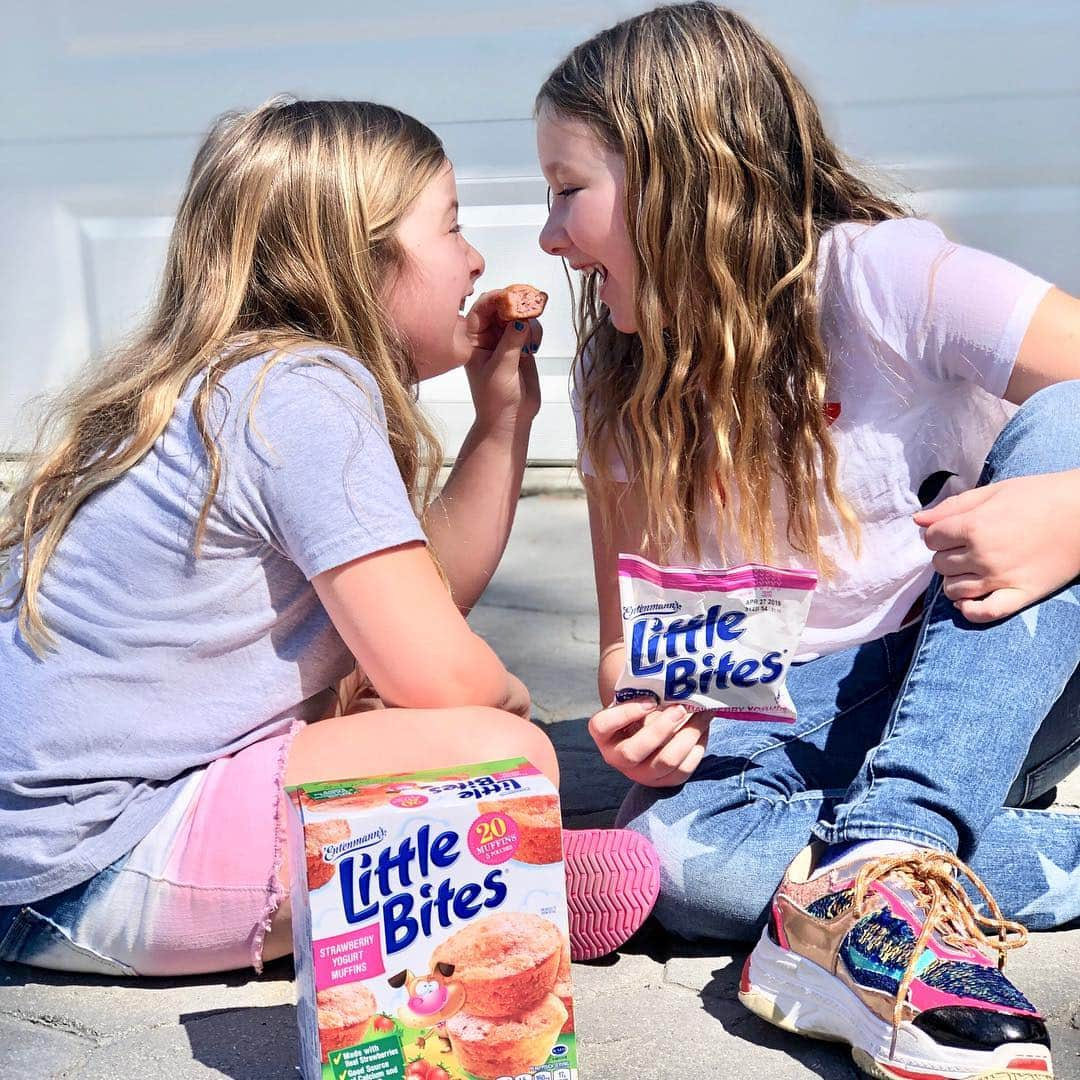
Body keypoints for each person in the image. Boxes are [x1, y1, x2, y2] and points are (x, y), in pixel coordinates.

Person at [535, 4, 1080, 1077]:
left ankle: (897, 840)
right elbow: (636, 642)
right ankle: (896, 865)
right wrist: (647, 709)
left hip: (983, 663)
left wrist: (1070, 505)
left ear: (681, 178)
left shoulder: (887, 276)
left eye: (567, 189)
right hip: (798, 706)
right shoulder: (619, 378)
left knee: (1073, 417)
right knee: (676, 857)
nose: (551, 235)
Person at [0, 97, 659, 979]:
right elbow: (436, 671)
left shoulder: (244, 379)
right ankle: (491, 887)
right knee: (502, 755)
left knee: (415, 713)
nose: (474, 259)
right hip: (93, 865)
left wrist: (502, 419)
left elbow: (420, 607)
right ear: (359, 257)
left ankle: (486, 873)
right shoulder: (302, 393)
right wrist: (502, 698)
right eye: (452, 228)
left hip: (53, 853)